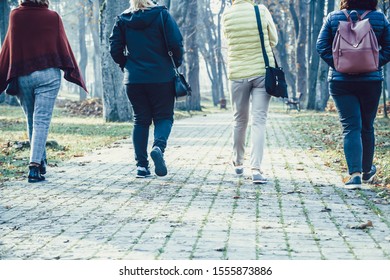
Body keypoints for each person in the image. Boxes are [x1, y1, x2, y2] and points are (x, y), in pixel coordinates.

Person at [0, 0, 87, 183]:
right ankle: (34, 166)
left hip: (23, 75)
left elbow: (8, 48)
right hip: (48, 75)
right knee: (41, 121)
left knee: (32, 120)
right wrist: (70, 69)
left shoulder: (15, 15)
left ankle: (39, 161)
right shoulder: (53, 17)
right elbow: (63, 46)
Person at [316, 0, 390, 189]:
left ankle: (355, 175)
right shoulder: (379, 18)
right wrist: (374, 62)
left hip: (341, 82)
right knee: (367, 126)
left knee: (351, 127)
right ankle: (366, 171)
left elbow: (321, 46)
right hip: (371, 81)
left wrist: (340, 64)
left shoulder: (334, 17)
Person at [109, 0, 183, 178]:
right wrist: (175, 63)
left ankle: (142, 166)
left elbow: (114, 49)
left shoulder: (122, 19)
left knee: (140, 120)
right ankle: (158, 146)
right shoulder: (162, 15)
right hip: (162, 77)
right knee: (164, 116)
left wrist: (126, 64)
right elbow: (176, 43)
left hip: (134, 79)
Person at [222, 0, 278, 184]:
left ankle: (238, 163)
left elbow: (228, 40)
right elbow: (274, 39)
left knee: (239, 119)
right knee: (259, 121)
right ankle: (256, 169)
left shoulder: (227, 15)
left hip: (237, 72)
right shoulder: (260, 10)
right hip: (262, 71)